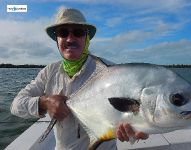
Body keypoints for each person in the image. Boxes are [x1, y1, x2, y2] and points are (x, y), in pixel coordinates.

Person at [10, 8, 148, 149]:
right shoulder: (49, 72)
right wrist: (44, 102)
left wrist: (140, 127)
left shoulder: (111, 71)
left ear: (86, 38)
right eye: (63, 33)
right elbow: (16, 105)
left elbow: (131, 110)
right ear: (57, 40)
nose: (70, 39)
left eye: (78, 32)